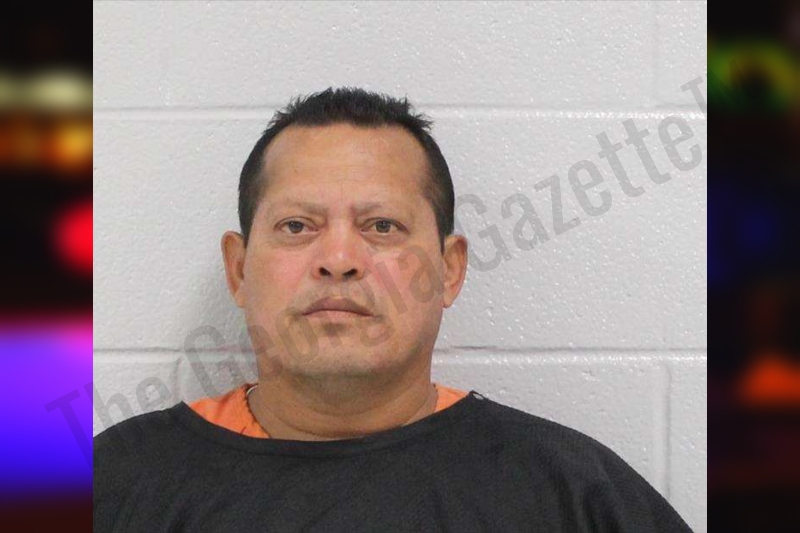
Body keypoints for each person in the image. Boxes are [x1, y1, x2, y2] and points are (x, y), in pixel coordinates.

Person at [94, 87, 692, 531]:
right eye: (297, 226)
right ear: (239, 270)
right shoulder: (114, 483)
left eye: (382, 226)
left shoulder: (572, 495)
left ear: (449, 269)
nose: (338, 260)